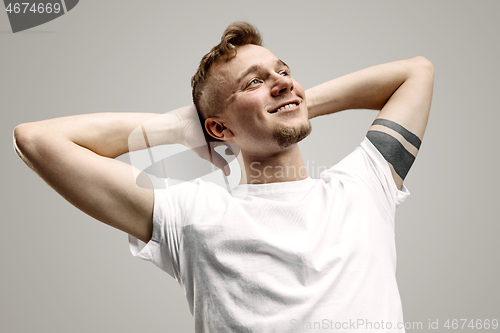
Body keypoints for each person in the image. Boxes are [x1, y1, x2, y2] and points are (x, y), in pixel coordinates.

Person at [13, 22, 434, 332]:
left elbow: (416, 71)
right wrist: (185, 130)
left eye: (283, 71)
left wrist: (294, 102)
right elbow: (36, 140)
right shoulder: (189, 213)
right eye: (254, 81)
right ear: (218, 128)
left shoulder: (363, 185)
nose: (281, 81)